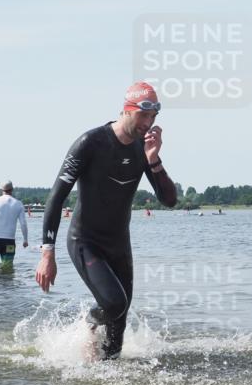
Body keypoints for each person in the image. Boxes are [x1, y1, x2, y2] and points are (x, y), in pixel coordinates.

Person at [35, 81, 178, 359]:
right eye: (143, 115)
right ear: (127, 110)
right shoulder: (91, 143)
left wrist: (154, 159)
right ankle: (89, 322)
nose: (148, 124)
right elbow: (56, 197)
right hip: (84, 240)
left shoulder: (143, 147)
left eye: (153, 118)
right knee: (113, 304)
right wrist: (47, 252)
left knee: (119, 325)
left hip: (118, 244)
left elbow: (169, 200)